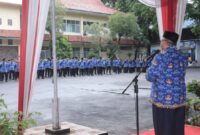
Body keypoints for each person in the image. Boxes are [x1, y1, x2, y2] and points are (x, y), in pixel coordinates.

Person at [146, 31, 188, 135]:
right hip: (179, 99)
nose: (160, 43)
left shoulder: (160, 57)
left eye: (161, 41)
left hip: (163, 100)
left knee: (164, 129)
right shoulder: (182, 56)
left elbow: (150, 76)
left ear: (165, 42)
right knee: (177, 128)